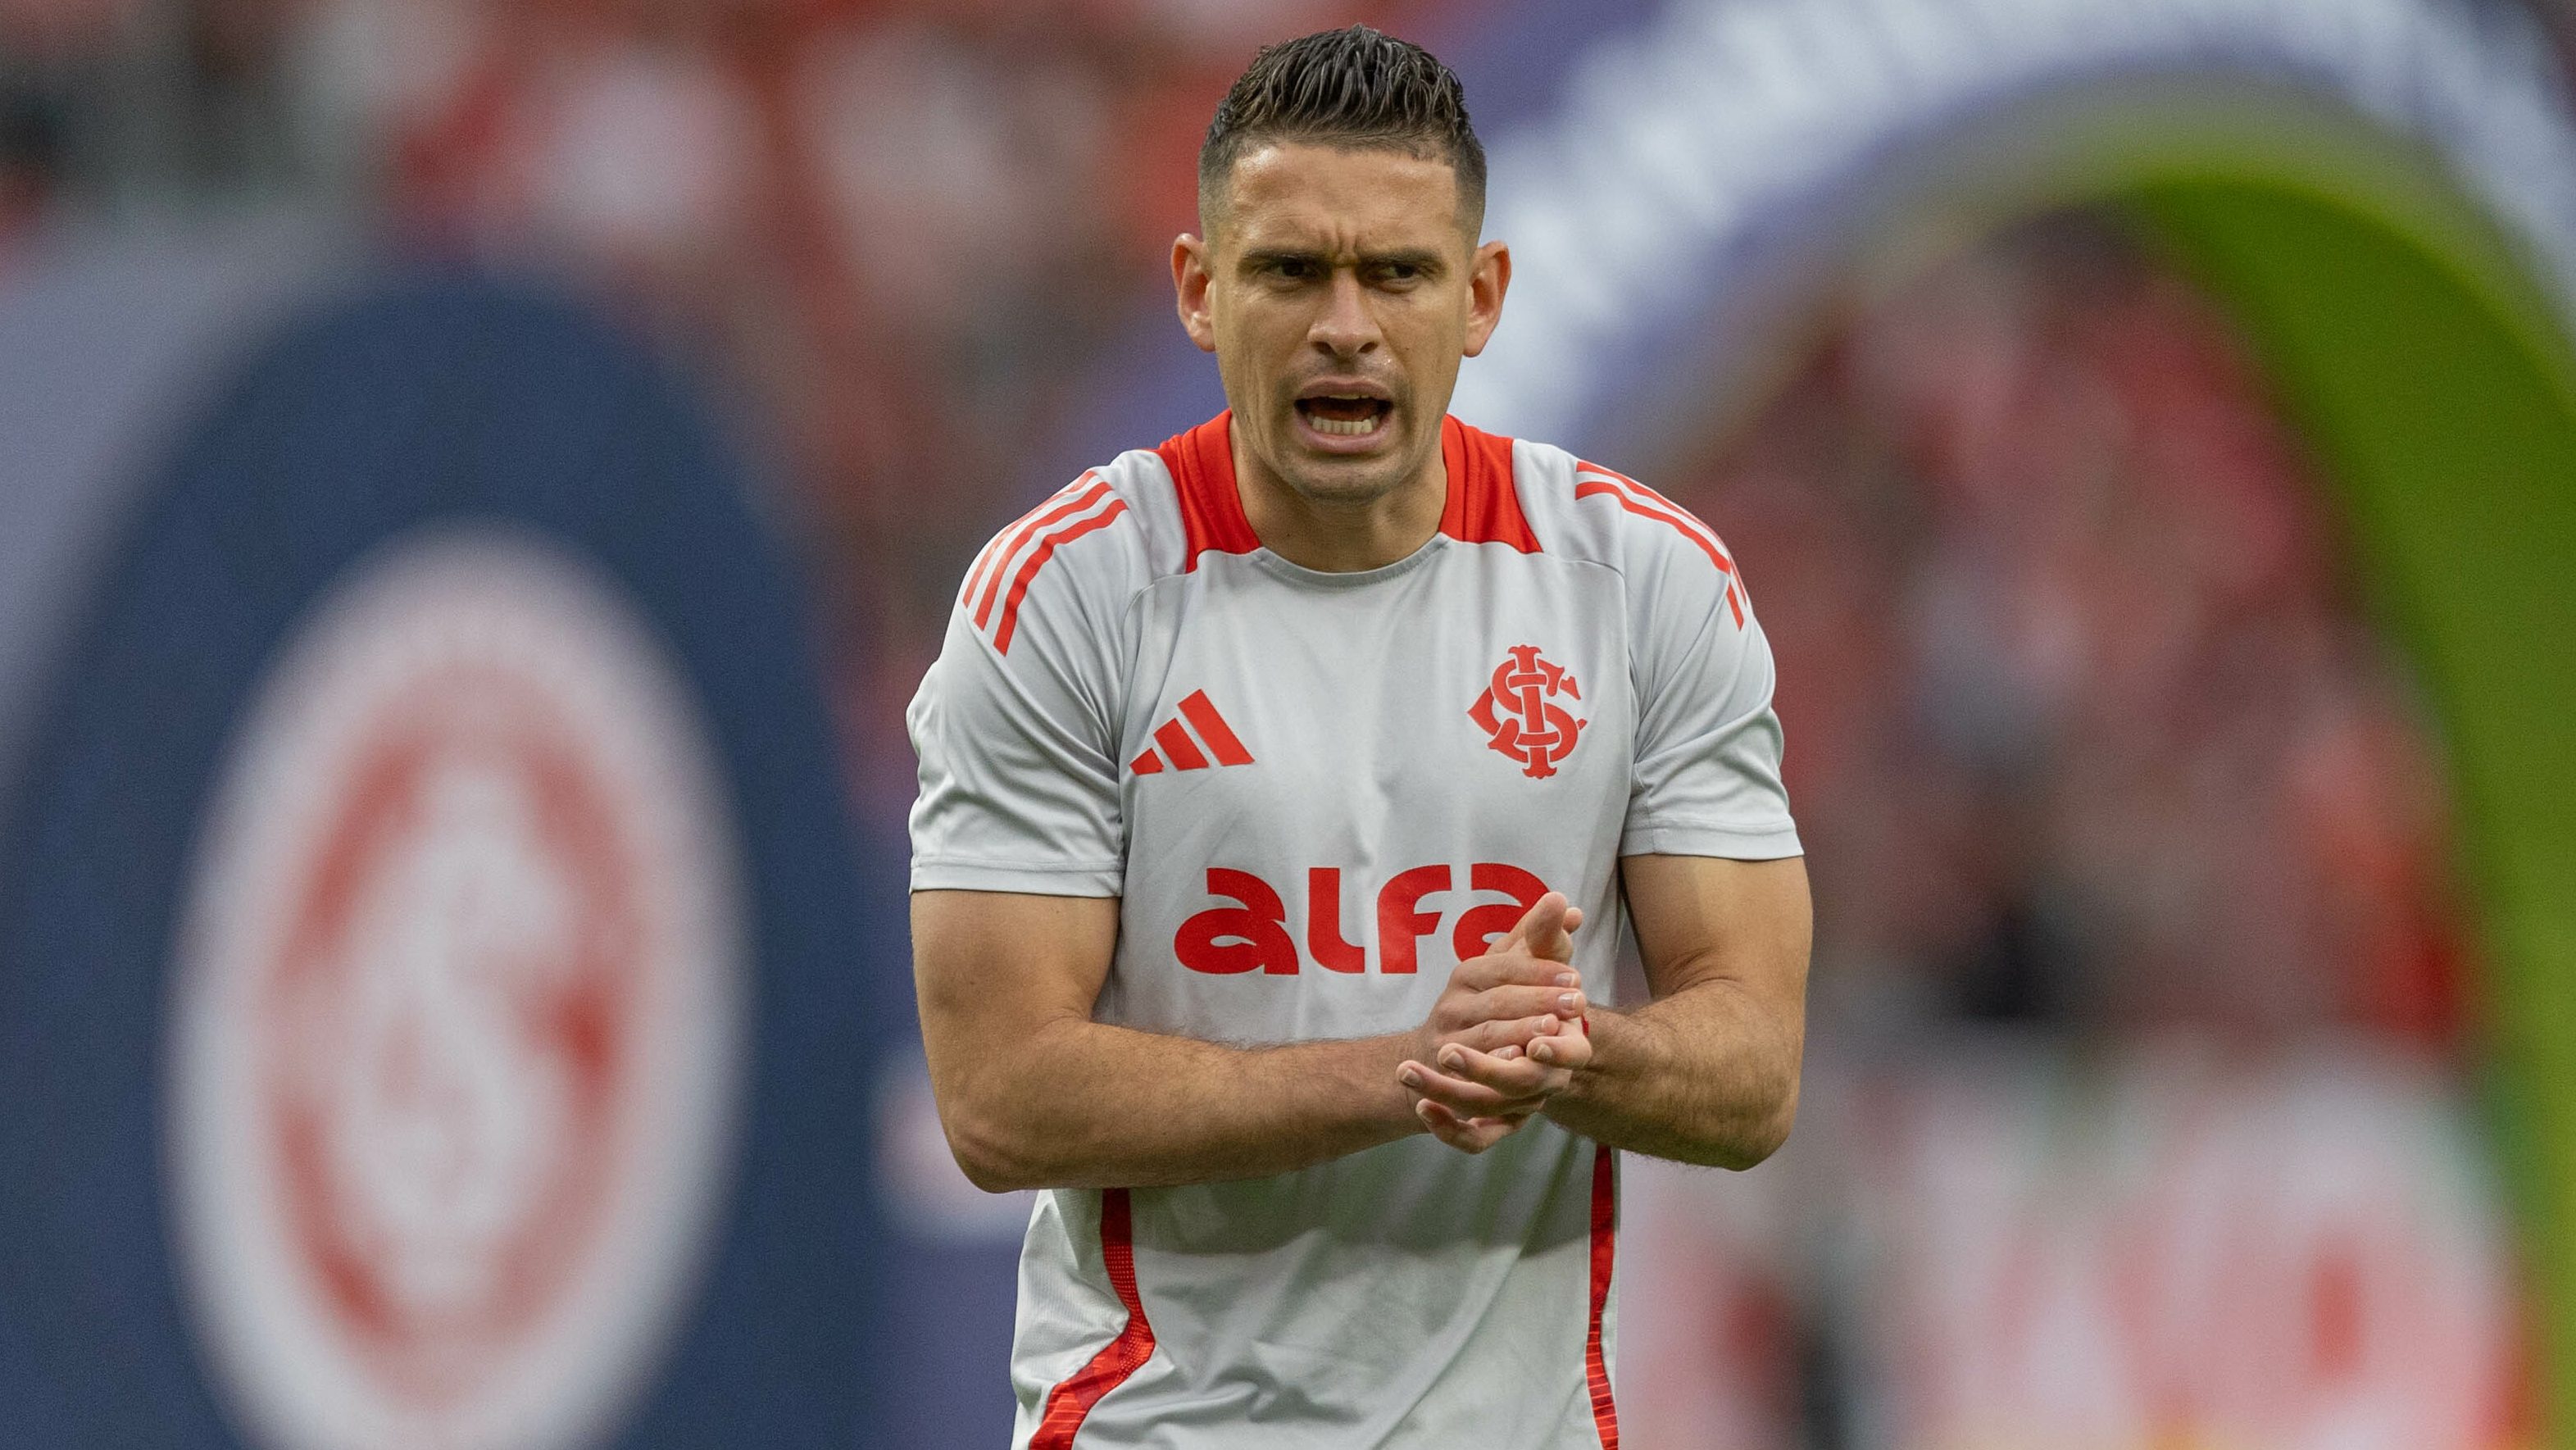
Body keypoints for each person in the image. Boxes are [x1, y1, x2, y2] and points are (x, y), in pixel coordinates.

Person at [906, 25, 1810, 1448]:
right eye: (1290, 271)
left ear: (1484, 294)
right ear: (1201, 292)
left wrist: (1566, 1049)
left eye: (1398, 271)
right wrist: (1414, 1068)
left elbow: (1754, 1064)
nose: (1348, 323)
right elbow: (999, 1094)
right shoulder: (1066, 595)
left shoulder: (1643, 583)